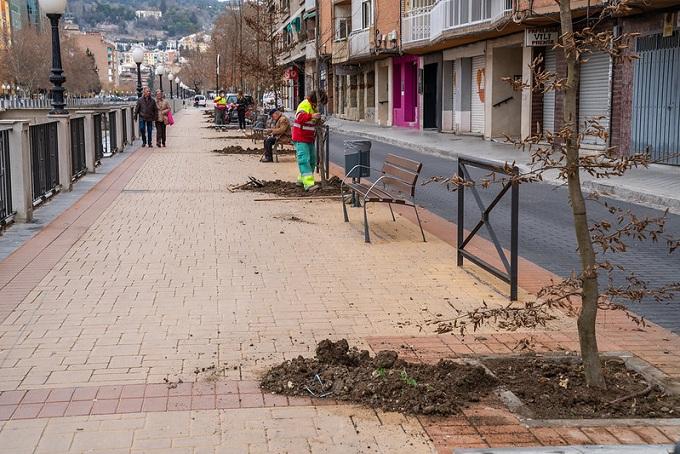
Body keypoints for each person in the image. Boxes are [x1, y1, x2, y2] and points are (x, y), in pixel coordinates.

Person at [292, 90, 327, 191]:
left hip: (309, 138)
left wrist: (318, 120)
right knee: (304, 160)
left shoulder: (313, 107)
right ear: (316, 100)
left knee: (312, 160)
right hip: (300, 137)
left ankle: (301, 180)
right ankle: (308, 184)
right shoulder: (305, 104)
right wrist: (312, 116)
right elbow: (299, 117)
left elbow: (311, 121)